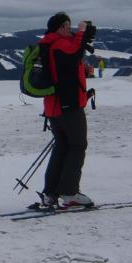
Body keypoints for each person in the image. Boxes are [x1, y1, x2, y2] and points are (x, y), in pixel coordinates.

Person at [38, 12, 96, 209]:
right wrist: (81, 33)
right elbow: (74, 50)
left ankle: (51, 193)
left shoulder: (48, 44)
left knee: (62, 147)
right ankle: (69, 192)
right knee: (77, 146)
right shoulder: (60, 44)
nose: (69, 29)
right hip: (68, 106)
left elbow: (70, 63)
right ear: (59, 27)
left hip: (54, 107)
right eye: (66, 26)